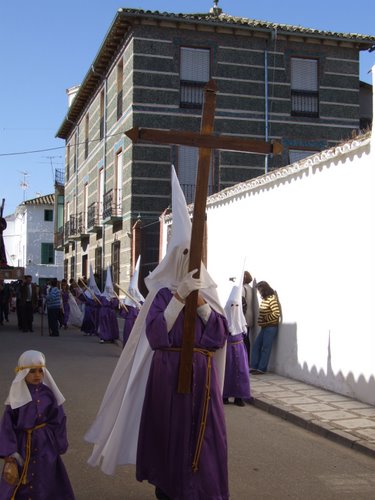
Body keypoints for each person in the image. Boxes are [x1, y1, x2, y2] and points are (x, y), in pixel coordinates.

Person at [86, 166, 229, 500]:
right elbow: (154, 335)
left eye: (192, 256)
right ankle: (168, 489)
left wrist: (202, 304)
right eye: (182, 255)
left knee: (203, 439)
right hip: (167, 376)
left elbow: (219, 336)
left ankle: (202, 490)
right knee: (169, 435)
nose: (188, 262)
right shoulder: (162, 295)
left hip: (201, 378)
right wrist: (180, 298)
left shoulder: (207, 293)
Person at [0, 350, 75, 499]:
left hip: (45, 444)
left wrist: (59, 443)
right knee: (22, 477)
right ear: (23, 373)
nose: (37, 375)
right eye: (32, 371)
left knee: (46, 475)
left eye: (41, 371)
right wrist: (10, 452)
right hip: (22, 445)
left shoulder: (49, 393)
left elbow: (58, 418)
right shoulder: (16, 396)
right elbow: (7, 425)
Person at [223, 283, 251, 407]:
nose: (234, 308)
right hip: (227, 351)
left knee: (240, 373)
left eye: (237, 306)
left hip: (239, 349)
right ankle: (225, 396)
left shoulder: (242, 322)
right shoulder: (223, 320)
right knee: (227, 373)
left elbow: (244, 333)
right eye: (232, 305)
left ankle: (239, 397)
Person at [250, 281, 281, 374]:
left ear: (264, 289)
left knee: (265, 348)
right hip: (264, 327)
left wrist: (266, 319)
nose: (259, 292)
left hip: (271, 327)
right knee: (256, 346)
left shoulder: (272, 299)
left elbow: (276, 313)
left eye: (259, 289)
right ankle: (254, 366)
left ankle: (261, 369)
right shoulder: (265, 299)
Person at [242, 271, 257, 363]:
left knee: (243, 340)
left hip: (244, 317)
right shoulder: (250, 288)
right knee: (247, 340)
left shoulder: (243, 289)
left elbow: (242, 303)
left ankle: (245, 361)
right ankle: (247, 361)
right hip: (250, 316)